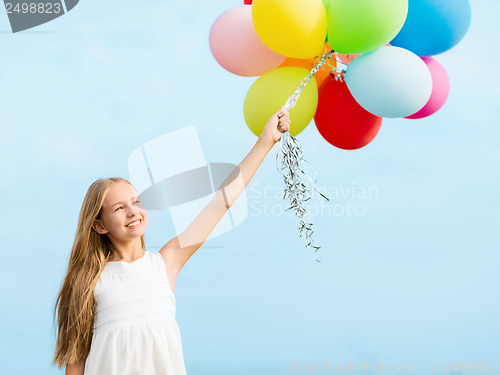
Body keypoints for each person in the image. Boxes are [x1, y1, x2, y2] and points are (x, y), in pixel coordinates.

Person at [52, 108, 291, 375]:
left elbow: (222, 202)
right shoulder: (88, 281)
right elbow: (76, 361)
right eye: (119, 208)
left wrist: (266, 140)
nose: (133, 212)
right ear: (98, 225)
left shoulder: (166, 262)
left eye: (136, 202)